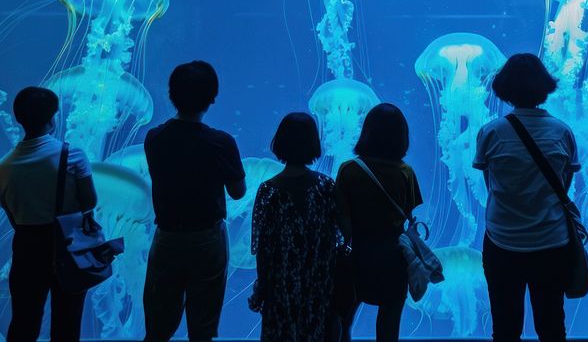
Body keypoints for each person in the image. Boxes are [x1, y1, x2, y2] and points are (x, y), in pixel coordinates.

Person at [473, 53, 579, 342]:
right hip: (552, 242)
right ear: (544, 86)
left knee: (505, 329)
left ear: (504, 88)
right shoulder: (562, 132)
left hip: (502, 242)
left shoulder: (491, 132)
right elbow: (564, 185)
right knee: (552, 325)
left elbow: (490, 184)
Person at [143, 61, 246, 342]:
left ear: (171, 94)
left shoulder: (154, 138)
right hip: (207, 239)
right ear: (212, 98)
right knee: (202, 329)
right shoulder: (221, 143)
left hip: (166, 237)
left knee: (157, 327)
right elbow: (238, 192)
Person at [0, 86, 98, 342]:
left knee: (24, 322)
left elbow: (11, 212)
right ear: (53, 118)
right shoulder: (72, 155)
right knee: (67, 323)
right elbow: (90, 201)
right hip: (68, 245)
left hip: (26, 248)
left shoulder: (2, 167)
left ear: (19, 118)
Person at [248, 112, 342, 342]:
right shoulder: (326, 187)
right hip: (319, 287)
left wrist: (262, 288)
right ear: (314, 144)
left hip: (280, 288)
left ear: (279, 143)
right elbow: (337, 239)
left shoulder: (268, 191)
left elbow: (262, 247)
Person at [335, 103, 422, 342]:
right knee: (389, 323)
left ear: (367, 132)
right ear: (402, 137)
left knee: (345, 318)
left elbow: (342, 215)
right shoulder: (406, 172)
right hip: (393, 256)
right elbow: (408, 215)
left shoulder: (348, 170)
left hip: (357, 253)